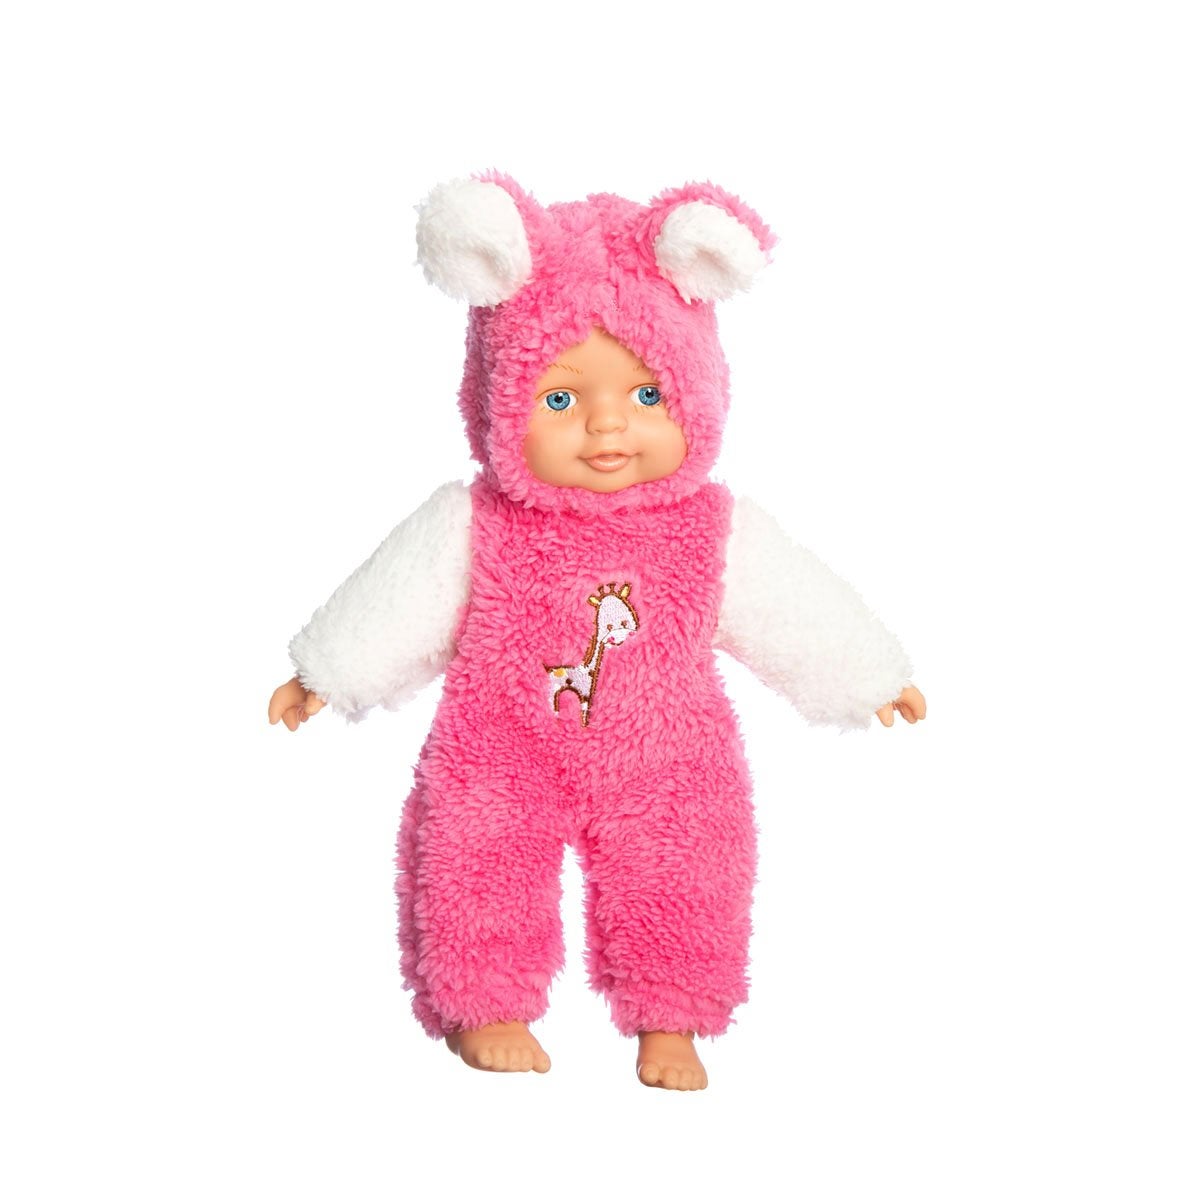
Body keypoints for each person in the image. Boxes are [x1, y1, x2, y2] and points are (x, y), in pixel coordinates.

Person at [268, 174, 926, 1091]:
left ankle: (672, 1018)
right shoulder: (478, 523)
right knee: (474, 856)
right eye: (561, 400)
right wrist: (330, 672)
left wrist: (867, 675)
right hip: (503, 744)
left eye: (648, 395)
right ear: (496, 395)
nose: (608, 425)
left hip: (669, 755)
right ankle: (484, 1002)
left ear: (699, 388)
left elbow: (795, 607)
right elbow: (399, 601)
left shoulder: (712, 529)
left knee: (688, 869)